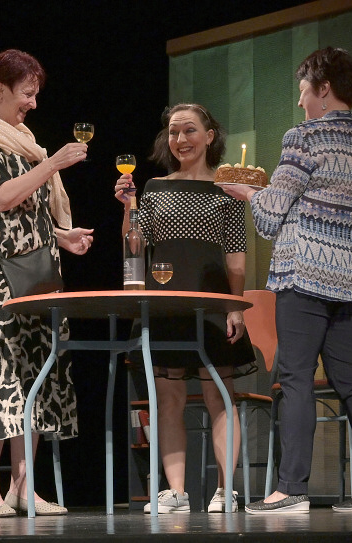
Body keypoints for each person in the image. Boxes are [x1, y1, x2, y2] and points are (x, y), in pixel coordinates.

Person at [222, 47, 352, 513]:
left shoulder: (304, 137)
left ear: (324, 89)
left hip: (304, 274)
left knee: (296, 378)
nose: (301, 101)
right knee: (350, 379)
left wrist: (248, 193)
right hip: (349, 280)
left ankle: (291, 488)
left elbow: (270, 216)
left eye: (304, 91)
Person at [0, 49, 94, 518]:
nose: (32, 103)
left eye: (35, 94)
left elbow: (28, 209)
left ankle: (24, 486)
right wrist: (52, 164)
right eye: (27, 93)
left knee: (34, 373)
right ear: (0, 90)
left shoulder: (23, 142)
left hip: (33, 275)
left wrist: (61, 236)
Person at [114, 103, 257, 513]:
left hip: (211, 303)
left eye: (189, 130)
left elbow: (236, 255)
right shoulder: (155, 186)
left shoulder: (228, 189)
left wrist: (234, 307)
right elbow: (135, 242)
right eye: (174, 132)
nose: (180, 139)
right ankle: (175, 491)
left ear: (209, 136)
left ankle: (225, 490)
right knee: (169, 400)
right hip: (165, 304)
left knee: (219, 398)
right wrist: (129, 207)